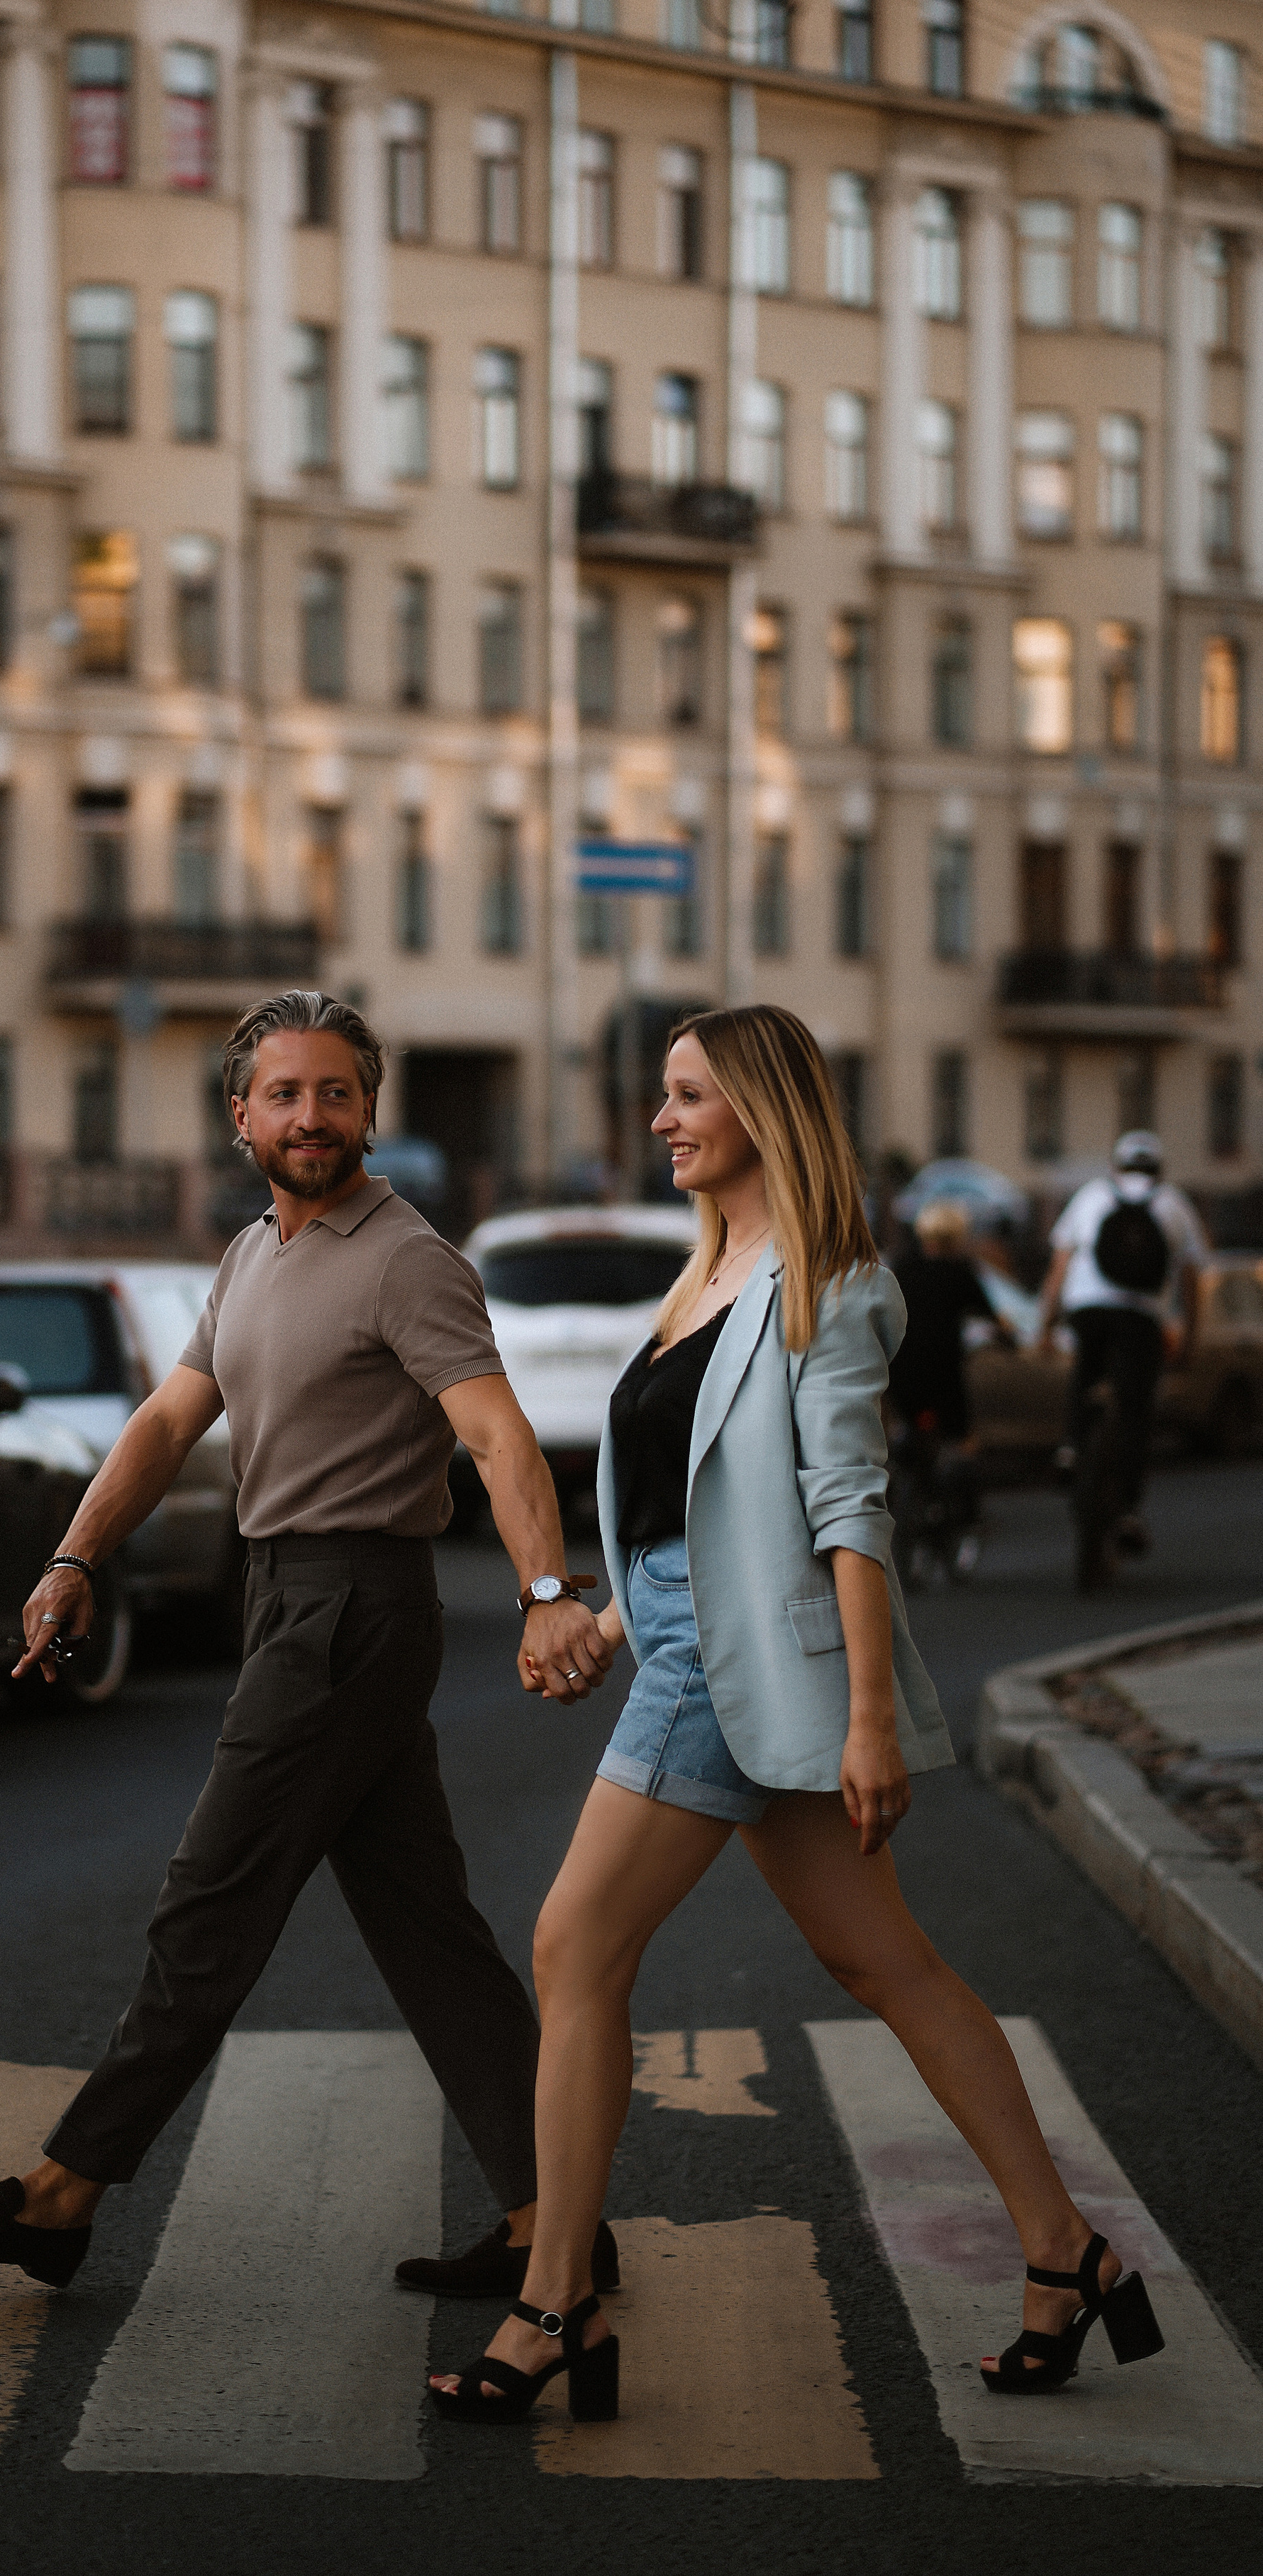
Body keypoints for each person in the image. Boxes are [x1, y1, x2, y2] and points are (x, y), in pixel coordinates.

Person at [428, 1005, 1164, 2424]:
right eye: (661, 1093)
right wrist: (601, 1614)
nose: (662, 1118)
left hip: (736, 1668)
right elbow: (691, 1521)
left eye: (688, 1092)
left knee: (573, 1942)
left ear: (764, 1107)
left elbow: (845, 1512)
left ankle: (556, 2299)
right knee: (881, 1962)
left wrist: (870, 1714)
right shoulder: (701, 1274)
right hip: (689, 1647)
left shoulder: (832, 1284)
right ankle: (1061, 2248)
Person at [0, 990, 620, 2306]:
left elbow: (500, 1433)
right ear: (241, 1117)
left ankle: (63, 2193)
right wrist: (73, 1558)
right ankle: (549, 2221)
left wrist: (549, 1590)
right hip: (285, 1598)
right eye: (284, 1093)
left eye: (336, 1091)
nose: (312, 1116)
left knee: (209, 1900)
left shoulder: (407, 1257)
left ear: (369, 1109)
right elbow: (169, 1424)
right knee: (428, 1929)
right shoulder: (248, 1259)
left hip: (355, 1602)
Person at [1036, 1130, 1207, 1563]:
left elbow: (1060, 1264)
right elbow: (1191, 1280)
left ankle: (1071, 1447)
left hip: (1087, 1310)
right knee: (1135, 1411)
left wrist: (1044, 1325)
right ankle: (1128, 1509)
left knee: (1085, 1373)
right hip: (1141, 1319)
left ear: (1116, 1165)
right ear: (1158, 1168)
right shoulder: (1175, 1204)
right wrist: (1189, 1339)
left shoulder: (1091, 1195)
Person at [887, 1199, 999, 1568]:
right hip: (944, 1378)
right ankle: (968, 1516)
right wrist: (1008, 1337)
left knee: (906, 1434)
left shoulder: (902, 1268)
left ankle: (910, 1492)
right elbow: (990, 1317)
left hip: (902, 1377)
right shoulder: (961, 1271)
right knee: (964, 1442)